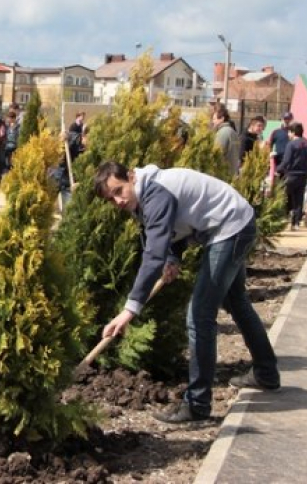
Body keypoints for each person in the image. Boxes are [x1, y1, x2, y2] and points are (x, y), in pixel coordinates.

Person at [95, 161, 280, 423]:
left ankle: (197, 405)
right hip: (231, 224)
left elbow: (152, 255)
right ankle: (266, 373)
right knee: (236, 302)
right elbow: (171, 232)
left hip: (230, 228)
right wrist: (173, 258)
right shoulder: (146, 196)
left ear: (131, 177)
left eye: (118, 191)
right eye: (110, 199)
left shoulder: (156, 193)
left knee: (199, 316)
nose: (118, 201)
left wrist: (129, 310)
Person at [276, 122, 307, 231]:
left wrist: (277, 170)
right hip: (303, 176)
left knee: (285, 196)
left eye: (289, 132)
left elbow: (286, 161)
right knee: (299, 199)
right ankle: (296, 222)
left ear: (293, 132)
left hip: (291, 174)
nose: (288, 134)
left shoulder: (291, 144)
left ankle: (285, 218)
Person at [212, 105, 241, 175]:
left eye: (214, 119)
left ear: (222, 118)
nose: (213, 122)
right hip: (232, 173)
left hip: (223, 174)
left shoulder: (222, 133)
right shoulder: (233, 132)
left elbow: (217, 154)